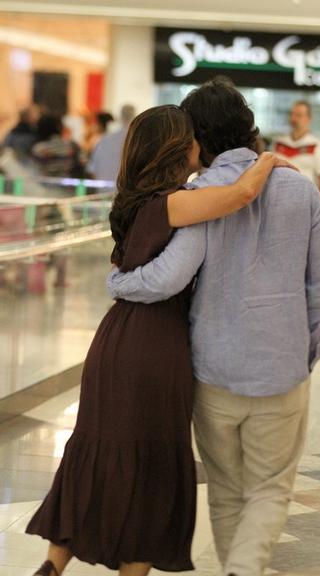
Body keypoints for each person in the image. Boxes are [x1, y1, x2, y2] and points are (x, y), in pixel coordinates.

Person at [27, 104, 293, 576]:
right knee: (149, 465)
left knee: (96, 451)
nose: (198, 145)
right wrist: (266, 160)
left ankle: (52, 565)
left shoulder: (131, 200)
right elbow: (241, 195)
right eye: (191, 137)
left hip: (114, 340)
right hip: (155, 344)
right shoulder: (173, 202)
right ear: (177, 146)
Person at [107, 80, 320, 576]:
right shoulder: (300, 188)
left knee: (228, 491)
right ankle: (242, 570)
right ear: (248, 127)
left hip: (212, 370)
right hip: (281, 369)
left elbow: (170, 277)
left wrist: (118, 281)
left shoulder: (198, 197)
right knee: (270, 488)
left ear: (198, 141)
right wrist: (306, 353)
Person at [273, 100, 320, 204]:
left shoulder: (317, 145)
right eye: (292, 114)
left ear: (309, 118)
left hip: (305, 202)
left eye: (298, 115)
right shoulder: (279, 142)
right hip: (278, 201)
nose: (293, 118)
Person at [87, 104, 135, 181]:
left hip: (104, 190)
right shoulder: (137, 140)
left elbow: (92, 170)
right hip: (125, 190)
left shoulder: (105, 140)